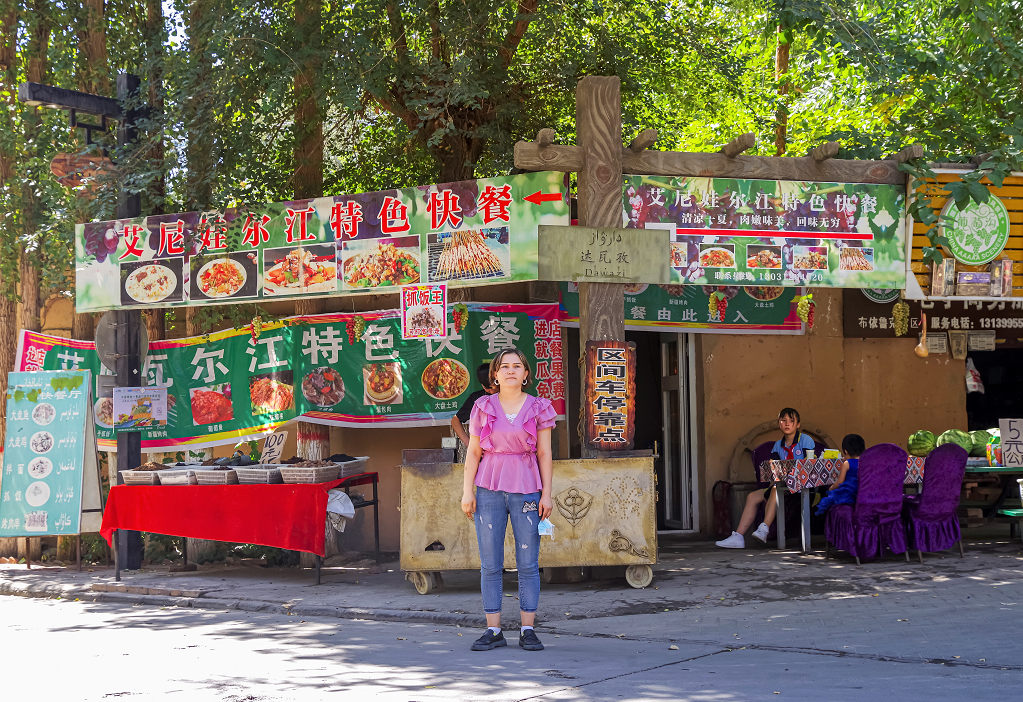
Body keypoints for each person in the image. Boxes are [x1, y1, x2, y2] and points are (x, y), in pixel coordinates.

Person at [461, 347, 556, 652]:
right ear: (496, 375)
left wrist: (547, 493)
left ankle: (528, 629)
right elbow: (474, 452)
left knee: (528, 562)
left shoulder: (539, 407)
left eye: (517, 366)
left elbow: (544, 453)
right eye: (505, 367)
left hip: (527, 487)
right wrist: (467, 491)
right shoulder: (483, 406)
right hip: (488, 487)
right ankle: (493, 630)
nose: (511, 370)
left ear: (526, 374)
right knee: (490, 564)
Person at [716, 407, 816, 549]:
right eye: (783, 420)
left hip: (802, 488)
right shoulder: (777, 446)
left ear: (798, 424)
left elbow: (809, 465)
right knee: (753, 496)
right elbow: (774, 468)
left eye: (791, 421)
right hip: (782, 486)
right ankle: (738, 537)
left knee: (776, 488)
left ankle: (764, 528)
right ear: (779, 423)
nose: (787, 424)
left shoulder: (805, 440)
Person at [450, 364, 496, 463]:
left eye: (495, 387)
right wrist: (469, 443)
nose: (493, 391)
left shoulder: (510, 396)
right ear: (483, 386)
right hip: (486, 455)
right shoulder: (477, 399)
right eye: (490, 388)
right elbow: (455, 420)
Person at [814, 434, 865, 515]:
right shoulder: (865, 462)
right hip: (861, 492)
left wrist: (831, 488)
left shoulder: (847, 463)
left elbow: (840, 482)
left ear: (845, 451)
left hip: (849, 494)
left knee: (825, 502)